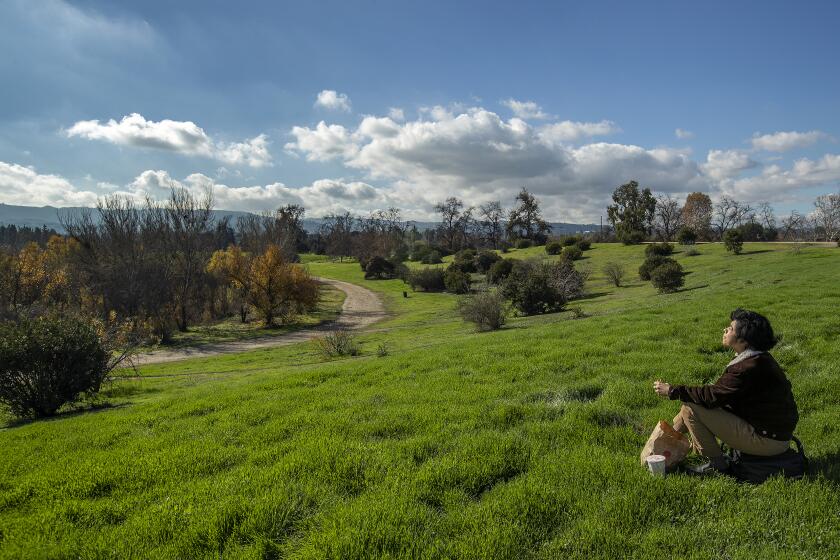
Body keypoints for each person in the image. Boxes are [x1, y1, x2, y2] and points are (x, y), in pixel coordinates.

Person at [653, 309, 799, 474]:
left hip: (767, 441)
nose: (725, 330)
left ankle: (717, 465)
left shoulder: (747, 367)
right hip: (776, 437)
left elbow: (712, 397)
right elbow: (719, 396)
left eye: (730, 328)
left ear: (744, 340)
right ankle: (664, 445)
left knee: (692, 407)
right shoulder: (758, 359)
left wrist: (672, 390)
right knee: (691, 404)